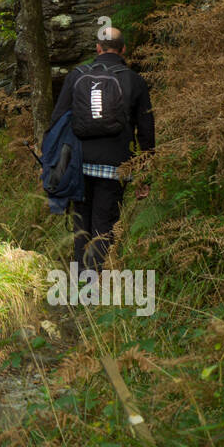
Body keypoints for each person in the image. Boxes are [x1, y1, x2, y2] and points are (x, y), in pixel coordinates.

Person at [48, 26, 154, 273]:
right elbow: (147, 131)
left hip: (79, 166)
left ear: (97, 48)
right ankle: (94, 289)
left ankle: (80, 285)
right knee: (104, 227)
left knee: (80, 227)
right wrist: (144, 175)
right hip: (116, 168)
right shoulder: (134, 81)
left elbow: (57, 121)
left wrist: (54, 163)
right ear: (123, 49)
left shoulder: (77, 75)